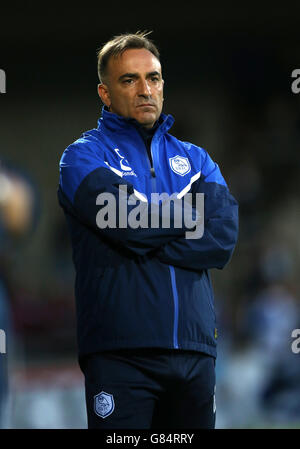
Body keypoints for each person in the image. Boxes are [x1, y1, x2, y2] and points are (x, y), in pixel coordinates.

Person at [57, 31, 239, 429]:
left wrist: (141, 238)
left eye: (153, 78)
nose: (145, 89)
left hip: (196, 353)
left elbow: (223, 238)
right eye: (130, 80)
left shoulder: (197, 159)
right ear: (105, 93)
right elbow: (124, 221)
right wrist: (190, 213)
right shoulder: (83, 155)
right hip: (120, 354)